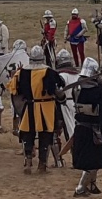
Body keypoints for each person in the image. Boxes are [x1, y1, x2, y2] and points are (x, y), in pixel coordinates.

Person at [7, 46, 65, 174]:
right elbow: (57, 89)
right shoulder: (49, 72)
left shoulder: (22, 72)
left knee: (28, 134)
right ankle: (42, 165)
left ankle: (28, 162)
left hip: (29, 107)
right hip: (45, 108)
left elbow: (15, 90)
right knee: (45, 136)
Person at [68, 58, 102, 197]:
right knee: (92, 160)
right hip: (93, 128)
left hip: (80, 127)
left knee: (95, 158)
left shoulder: (76, 88)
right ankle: (81, 188)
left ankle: (92, 184)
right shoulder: (100, 90)